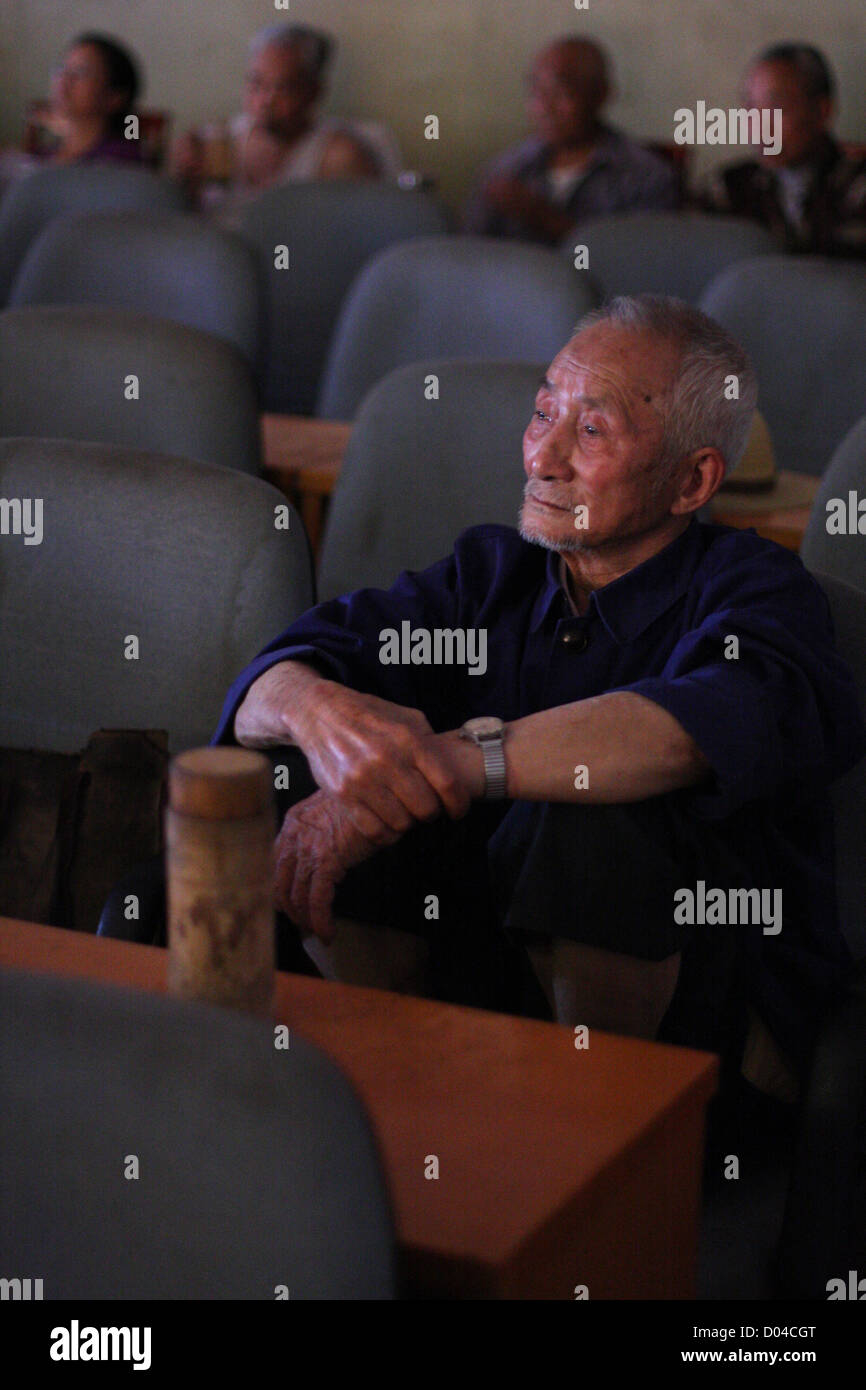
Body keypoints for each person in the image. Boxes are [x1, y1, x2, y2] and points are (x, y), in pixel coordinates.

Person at [189, 293, 863, 1115]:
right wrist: (317, 713)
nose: (542, 455)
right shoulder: (493, 572)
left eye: (591, 430)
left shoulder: (759, 596)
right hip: (477, 995)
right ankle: (397, 1105)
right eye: (543, 411)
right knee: (329, 769)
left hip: (702, 1042)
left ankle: (586, 1154)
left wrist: (455, 760)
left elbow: (690, 729)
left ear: (693, 481)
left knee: (586, 821)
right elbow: (290, 666)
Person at [464, 37, 678, 244]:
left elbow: (642, 264)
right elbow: (471, 261)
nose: (545, 108)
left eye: (561, 92)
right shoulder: (505, 169)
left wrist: (543, 217)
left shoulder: (646, 177)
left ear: (601, 95)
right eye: (537, 92)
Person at [170, 24, 383, 213]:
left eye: (283, 88)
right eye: (256, 84)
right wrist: (185, 186)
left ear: (314, 92)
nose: (266, 100)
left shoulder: (339, 156)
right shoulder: (217, 143)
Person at [701, 43, 866, 258]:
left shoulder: (856, 185)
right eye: (750, 108)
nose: (760, 125)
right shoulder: (728, 188)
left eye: (777, 108)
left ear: (822, 111)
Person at [28, 33, 142, 166]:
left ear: (114, 97)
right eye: (61, 69)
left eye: (81, 72)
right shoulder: (42, 157)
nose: (63, 81)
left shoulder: (120, 164)